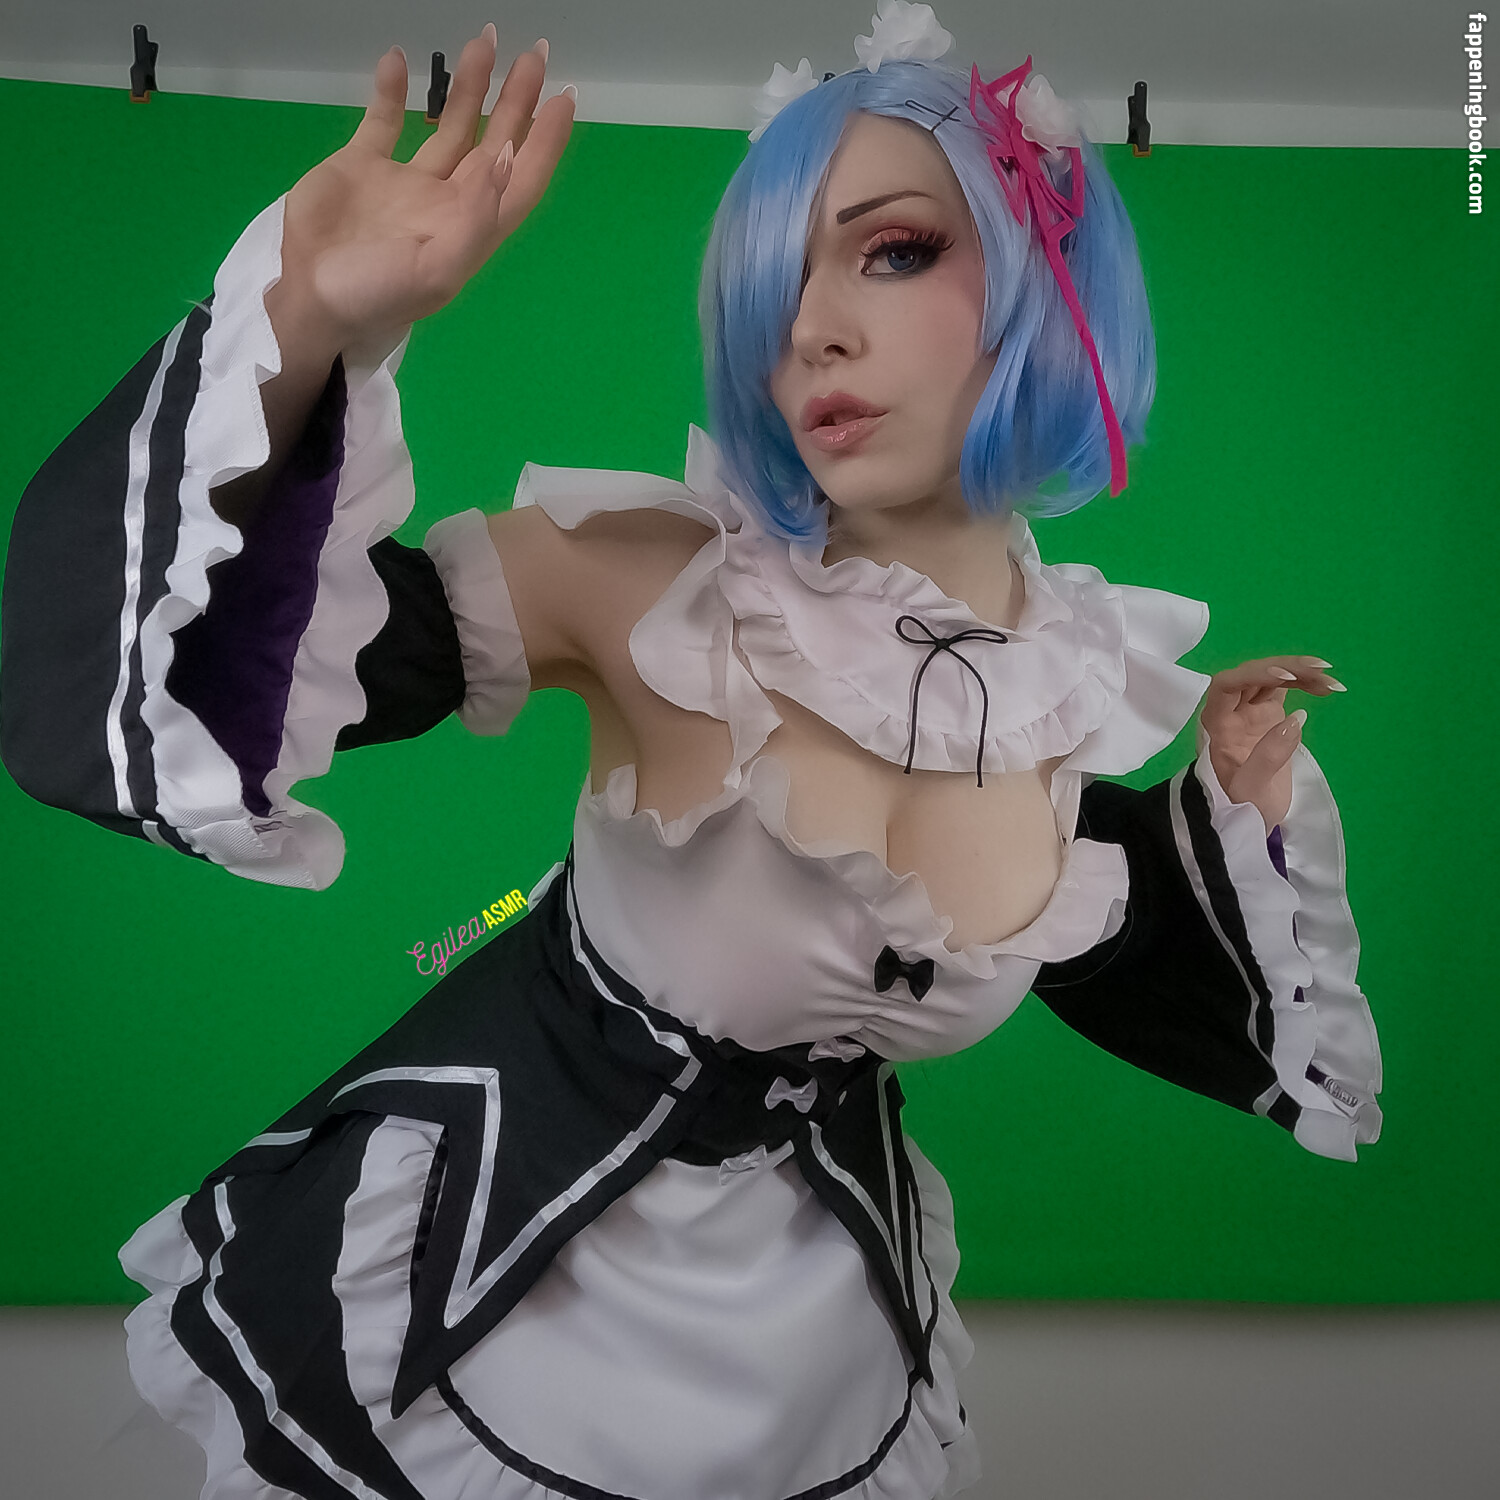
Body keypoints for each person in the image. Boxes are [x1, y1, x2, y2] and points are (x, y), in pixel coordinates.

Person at [0, 8, 1381, 1498]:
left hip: (829, 1339)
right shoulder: (652, 580)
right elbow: (201, 659)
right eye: (776, 288)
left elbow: (1098, 934)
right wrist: (304, 319)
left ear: (1045, 281)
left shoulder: (1070, 687)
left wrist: (1228, 808)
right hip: (504, 1300)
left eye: (894, 250)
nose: (812, 331)